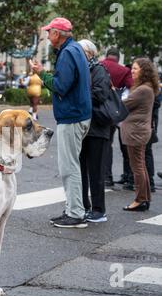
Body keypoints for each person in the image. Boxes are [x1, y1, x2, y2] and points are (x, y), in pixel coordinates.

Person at [30, 17, 92, 228]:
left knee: (69, 167)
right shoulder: (75, 50)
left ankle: (75, 213)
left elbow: (61, 86)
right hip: (79, 114)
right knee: (72, 165)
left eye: (49, 32)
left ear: (57, 34)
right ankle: (74, 209)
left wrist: (41, 75)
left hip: (72, 116)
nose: (47, 36)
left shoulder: (67, 53)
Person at [78, 39, 111, 223]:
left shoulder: (99, 70)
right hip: (84, 128)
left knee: (96, 172)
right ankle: (83, 206)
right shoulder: (82, 70)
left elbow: (100, 94)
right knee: (81, 170)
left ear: (90, 53)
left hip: (98, 129)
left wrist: (79, 95)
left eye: (81, 52)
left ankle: (99, 211)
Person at [121, 58, 159, 212]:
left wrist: (113, 94)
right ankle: (144, 198)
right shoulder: (147, 87)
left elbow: (125, 104)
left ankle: (140, 199)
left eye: (135, 68)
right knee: (140, 165)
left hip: (136, 132)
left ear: (144, 70)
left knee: (137, 167)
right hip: (139, 131)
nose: (132, 71)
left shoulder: (143, 89)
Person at [100, 48, 134, 187]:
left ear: (107, 55)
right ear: (118, 58)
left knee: (107, 145)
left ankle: (107, 177)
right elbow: (132, 86)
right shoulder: (124, 70)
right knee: (125, 144)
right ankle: (128, 176)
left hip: (103, 110)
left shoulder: (99, 65)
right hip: (119, 110)